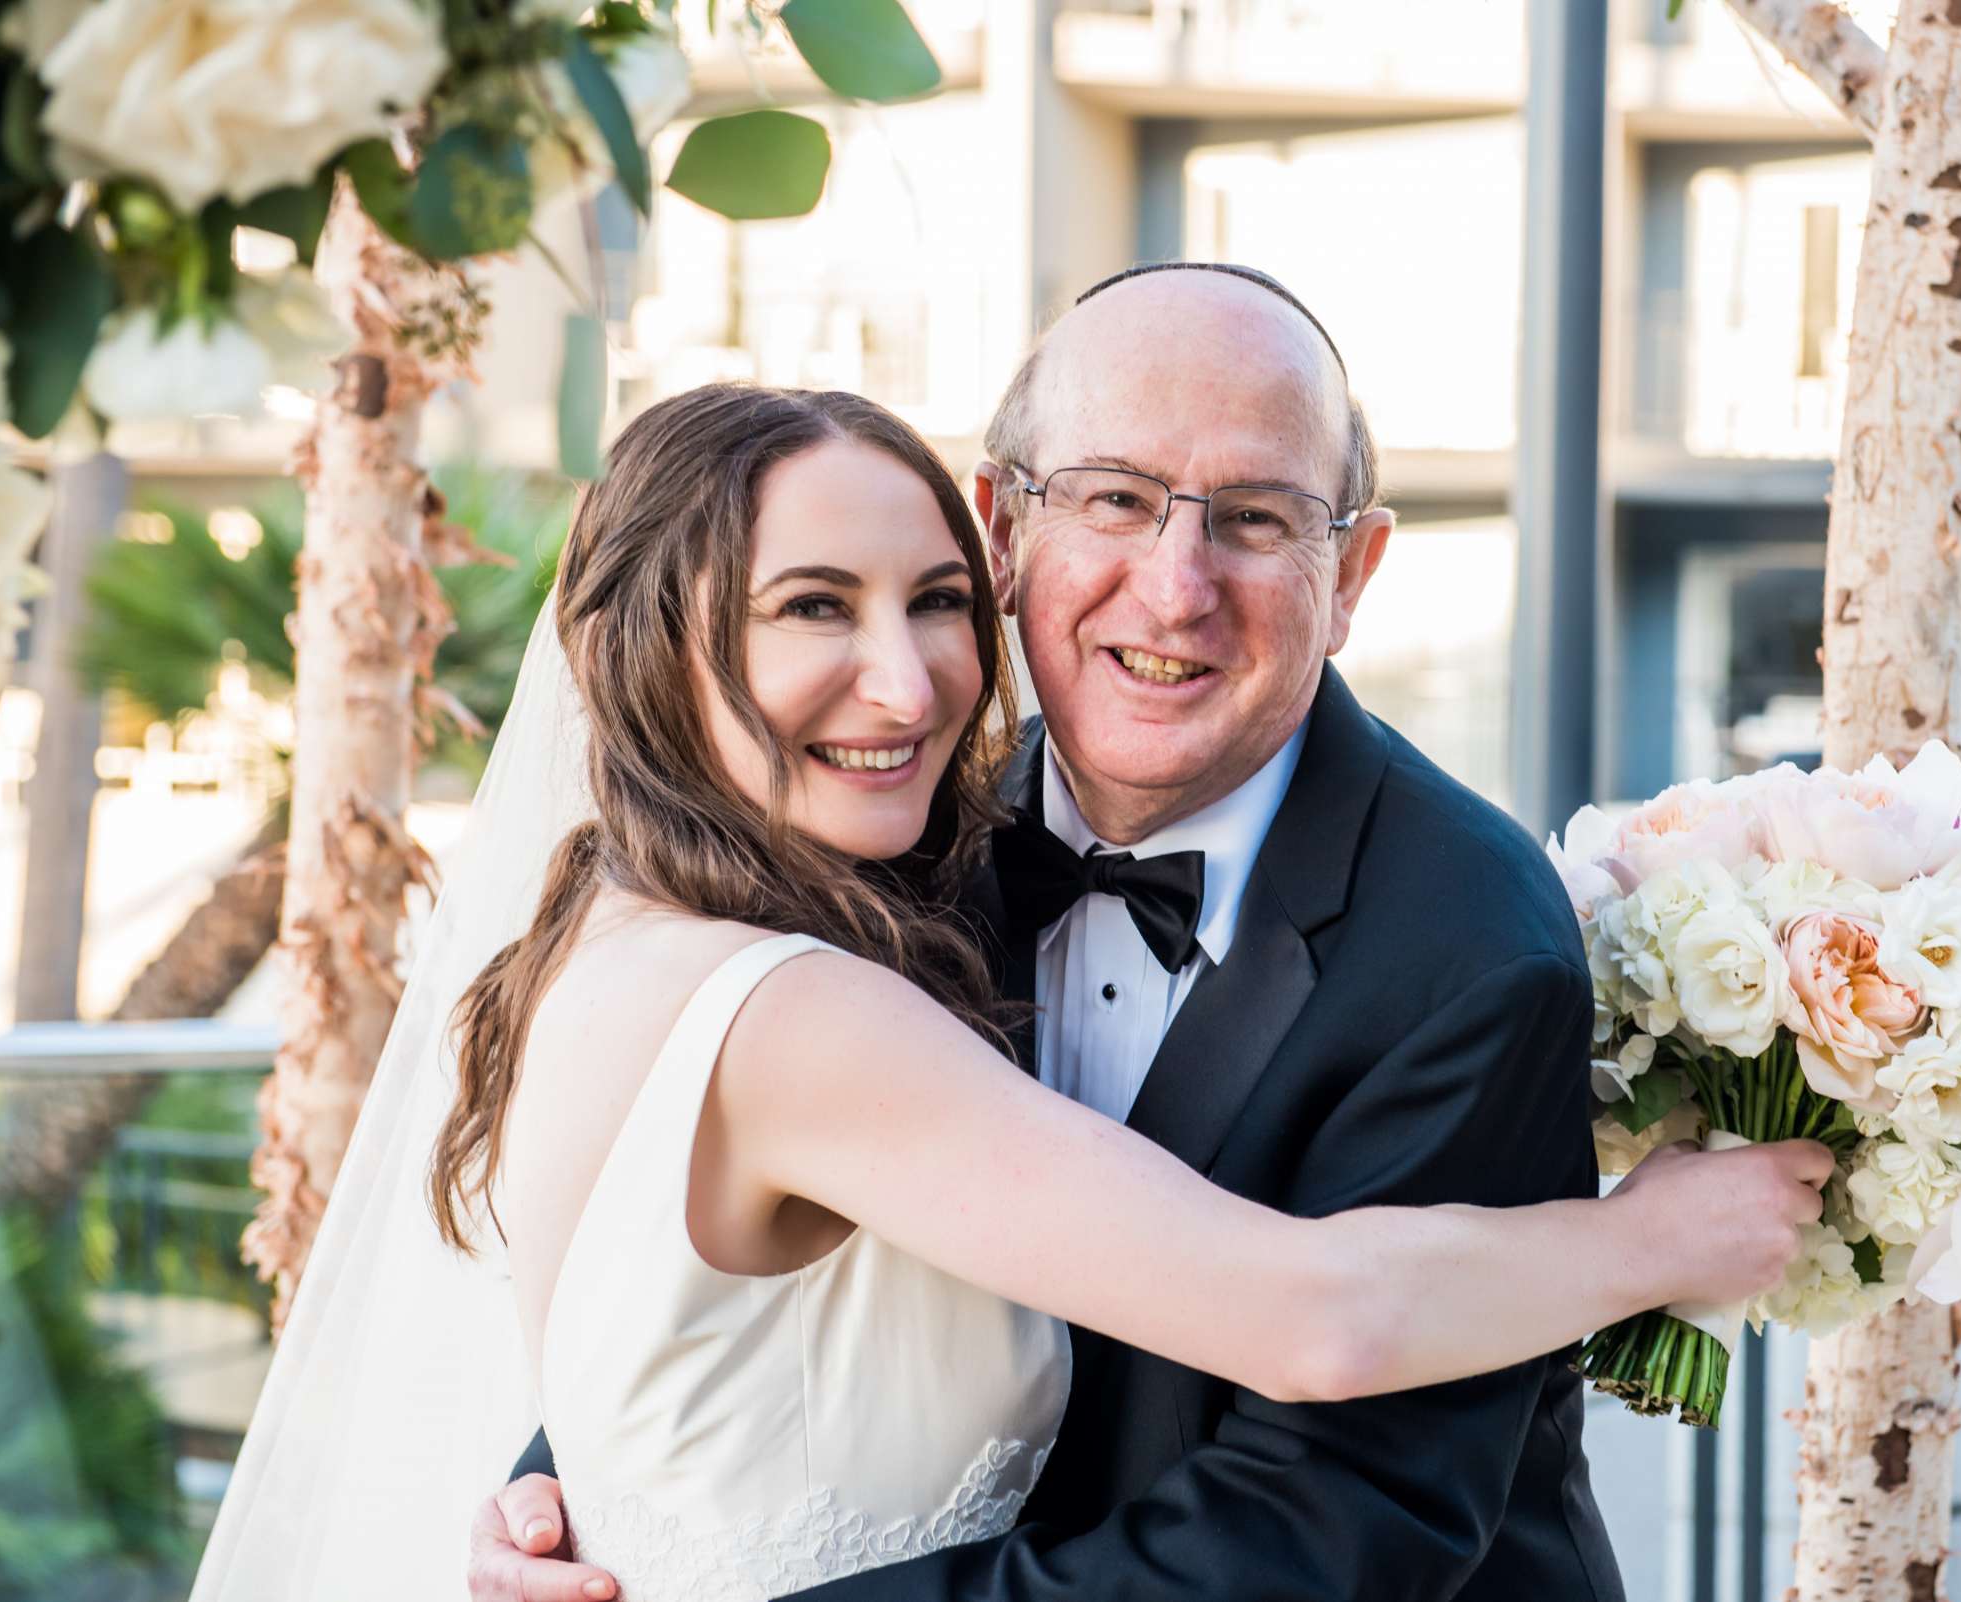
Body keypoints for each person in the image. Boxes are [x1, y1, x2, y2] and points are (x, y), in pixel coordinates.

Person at [456, 268, 1826, 1602]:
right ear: (1006, 532)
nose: (1176, 587)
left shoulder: (1467, 938)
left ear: (1352, 572)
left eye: (1254, 518)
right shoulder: (889, 859)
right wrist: (597, 1478)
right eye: (1115, 498)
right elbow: (711, 1301)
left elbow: (1329, 1535)